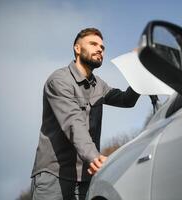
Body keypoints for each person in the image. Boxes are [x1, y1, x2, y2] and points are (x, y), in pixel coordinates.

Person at [30, 28, 140, 200]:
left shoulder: (99, 85)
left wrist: (139, 69)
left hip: (86, 178)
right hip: (54, 176)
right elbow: (72, 121)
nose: (99, 49)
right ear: (77, 48)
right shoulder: (59, 80)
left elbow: (127, 100)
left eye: (102, 47)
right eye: (93, 44)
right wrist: (94, 156)